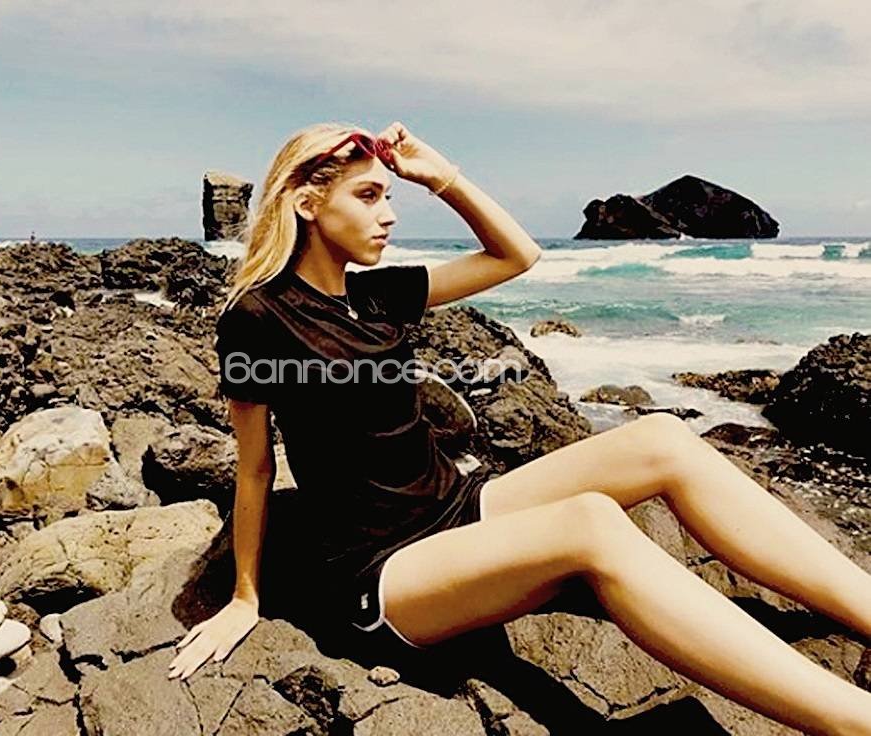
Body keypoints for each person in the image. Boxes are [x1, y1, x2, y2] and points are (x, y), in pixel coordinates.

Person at [168, 121, 871, 734]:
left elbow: (516, 255)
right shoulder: (257, 317)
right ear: (306, 202)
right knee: (590, 524)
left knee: (660, 439)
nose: (389, 214)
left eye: (388, 196)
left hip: (456, 506)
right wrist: (244, 597)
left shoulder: (376, 292)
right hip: (379, 573)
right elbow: (255, 467)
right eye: (369, 196)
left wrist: (442, 176)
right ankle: (849, 720)